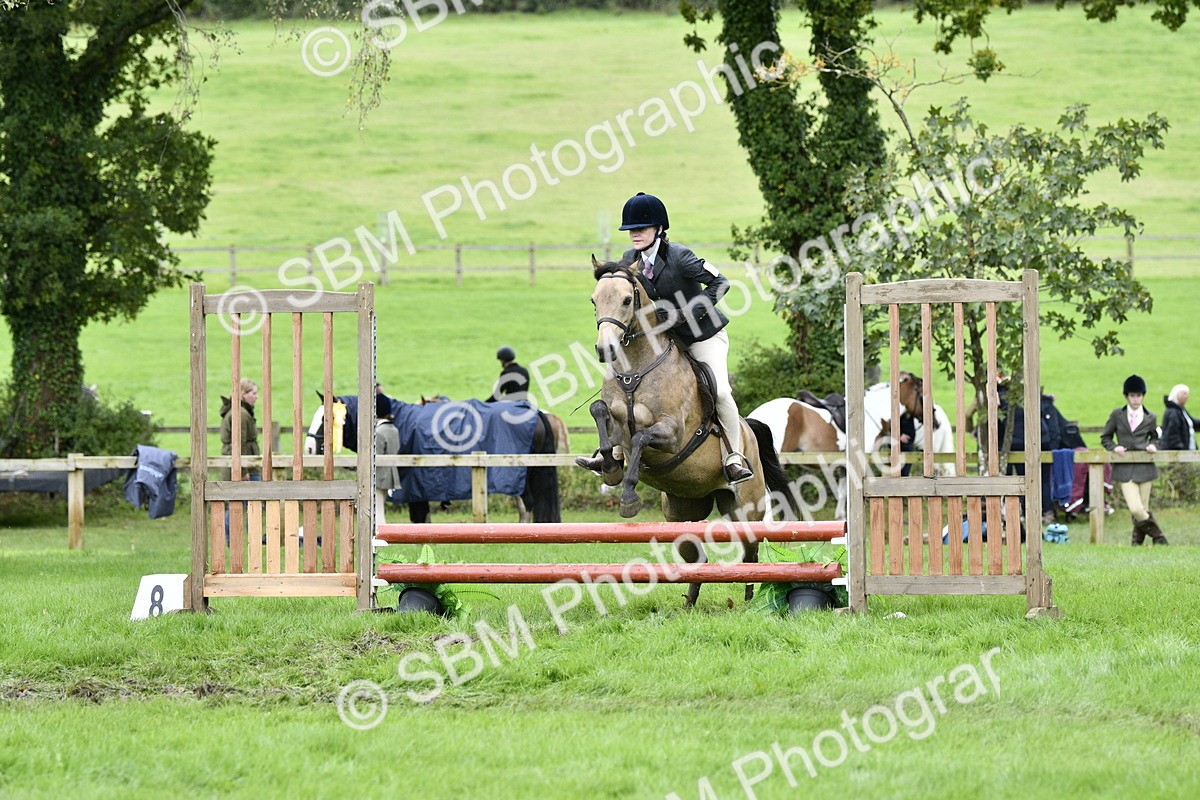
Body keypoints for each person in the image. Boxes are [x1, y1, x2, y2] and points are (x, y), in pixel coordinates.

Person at [583, 192, 752, 485]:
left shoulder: (680, 257)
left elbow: (720, 282)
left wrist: (689, 312)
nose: (635, 234)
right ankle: (612, 455)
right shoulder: (629, 261)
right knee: (619, 382)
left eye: (641, 228)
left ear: (659, 229)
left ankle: (734, 457)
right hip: (658, 340)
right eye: (631, 230)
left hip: (701, 334)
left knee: (721, 391)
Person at [1100, 374, 1166, 546]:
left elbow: (1156, 437)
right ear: (1126, 396)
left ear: (1143, 396)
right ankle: (1159, 536)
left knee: (1143, 509)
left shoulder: (1151, 417)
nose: (1135, 399)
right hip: (1125, 468)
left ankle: (1136, 542)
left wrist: (1153, 445)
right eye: (1132, 395)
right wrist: (1114, 447)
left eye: (1138, 395)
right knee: (1136, 509)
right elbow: (1105, 437)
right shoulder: (1117, 415)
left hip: (1146, 468)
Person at [219, 378, 260, 481]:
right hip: (247, 468)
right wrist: (242, 471)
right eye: (254, 393)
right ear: (243, 394)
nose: (257, 397)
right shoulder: (240, 414)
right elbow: (239, 443)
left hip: (238, 465)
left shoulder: (236, 411)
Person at [374, 393, 401, 524]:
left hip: (379, 475)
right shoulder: (394, 429)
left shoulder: (379, 432)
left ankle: (379, 533)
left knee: (378, 509)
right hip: (391, 474)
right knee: (380, 506)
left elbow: (377, 456)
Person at [1161, 383, 1199, 451]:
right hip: (1179, 454)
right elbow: (1172, 434)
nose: (1187, 396)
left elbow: (1193, 423)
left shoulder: (1180, 410)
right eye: (1184, 393)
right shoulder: (1173, 412)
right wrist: (1181, 450)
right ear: (1176, 394)